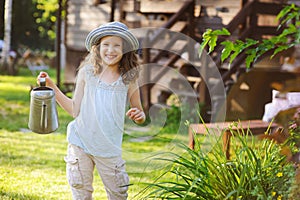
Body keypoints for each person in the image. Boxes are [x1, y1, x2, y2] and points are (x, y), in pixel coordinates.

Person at [37, 21, 146, 200]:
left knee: (118, 194)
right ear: (98, 47)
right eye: (106, 44)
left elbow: (139, 113)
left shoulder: (129, 78)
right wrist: (51, 86)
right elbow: (74, 110)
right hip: (81, 142)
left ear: (125, 49)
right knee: (81, 193)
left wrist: (139, 116)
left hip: (109, 148)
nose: (111, 50)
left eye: (116, 45)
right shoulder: (87, 72)